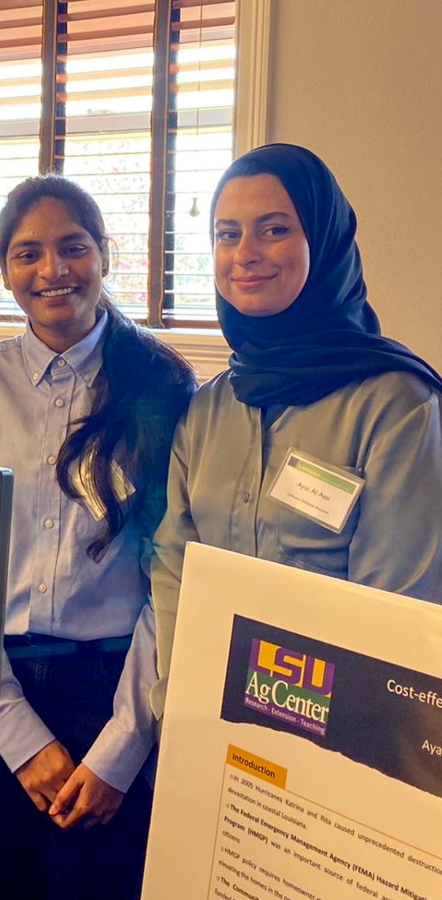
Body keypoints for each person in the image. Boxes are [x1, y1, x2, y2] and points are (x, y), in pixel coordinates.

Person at [0, 174, 197, 900]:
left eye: (73, 247)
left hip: (114, 691)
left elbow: (173, 585)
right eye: (27, 253)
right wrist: (16, 736)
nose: (53, 271)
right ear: (4, 267)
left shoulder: (164, 388)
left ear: (105, 255)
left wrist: (121, 748)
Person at [150, 143, 442, 717]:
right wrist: (179, 700)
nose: (245, 254)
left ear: (323, 242)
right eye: (227, 233)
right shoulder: (207, 408)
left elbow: (396, 612)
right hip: (203, 723)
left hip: (336, 743)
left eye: (274, 229)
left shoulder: (398, 407)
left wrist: (290, 722)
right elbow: (173, 566)